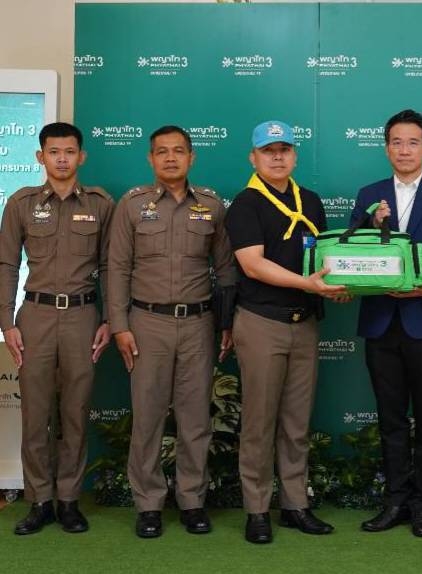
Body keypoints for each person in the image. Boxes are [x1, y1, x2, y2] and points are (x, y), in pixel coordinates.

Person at [108, 125, 237, 538]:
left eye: (178, 151)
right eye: (161, 151)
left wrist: (226, 322)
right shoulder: (132, 204)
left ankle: (192, 501)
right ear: (150, 159)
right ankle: (148, 504)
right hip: (147, 323)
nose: (170, 158)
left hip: (199, 323)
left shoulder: (211, 206)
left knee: (195, 418)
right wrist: (119, 325)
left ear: (191, 157)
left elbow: (226, 269)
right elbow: (117, 268)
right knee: (147, 417)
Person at [225, 120, 345, 544]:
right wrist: (308, 284)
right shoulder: (245, 203)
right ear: (253, 157)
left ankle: (295, 504)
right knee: (259, 423)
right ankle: (257, 509)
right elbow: (253, 265)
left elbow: (322, 257)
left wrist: (332, 286)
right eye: (268, 150)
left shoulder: (309, 200)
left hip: (304, 323)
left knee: (296, 423)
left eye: (284, 149)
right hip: (262, 323)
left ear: (294, 155)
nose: (277, 157)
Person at [351, 109, 422, 537]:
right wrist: (372, 223)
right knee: (391, 418)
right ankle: (396, 499)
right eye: (396, 143)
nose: (404, 150)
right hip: (381, 321)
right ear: (386, 149)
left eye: (413, 142)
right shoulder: (369, 194)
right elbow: (352, 250)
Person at [0, 122, 113, 535]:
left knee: (75, 413)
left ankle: (68, 500)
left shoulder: (101, 204)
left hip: (83, 317)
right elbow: (7, 265)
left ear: (81, 156)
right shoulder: (21, 203)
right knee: (35, 414)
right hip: (36, 316)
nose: (62, 159)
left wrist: (110, 319)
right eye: (53, 152)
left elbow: (111, 266)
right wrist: (6, 322)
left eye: (69, 151)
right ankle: (39, 501)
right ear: (40, 157)